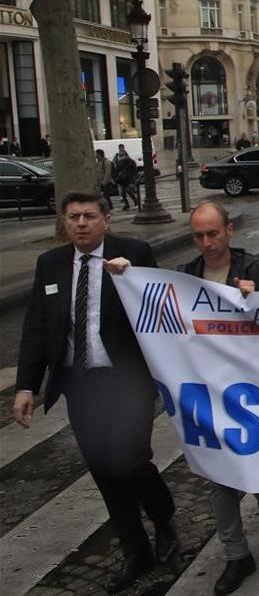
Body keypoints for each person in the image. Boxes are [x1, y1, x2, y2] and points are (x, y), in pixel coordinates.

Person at [14, 191, 178, 593]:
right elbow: (37, 327)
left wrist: (130, 277)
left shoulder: (133, 252)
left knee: (129, 461)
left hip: (128, 381)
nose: (81, 223)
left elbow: (161, 310)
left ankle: (164, 521)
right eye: (73, 217)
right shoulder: (50, 264)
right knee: (104, 471)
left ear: (106, 219)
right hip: (81, 384)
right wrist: (26, 386)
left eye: (89, 216)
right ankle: (133, 549)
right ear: (64, 223)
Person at [176, 202, 259, 593]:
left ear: (229, 231)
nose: (206, 243)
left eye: (213, 233)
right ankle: (237, 554)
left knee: (258, 467)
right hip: (207, 396)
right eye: (199, 236)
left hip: (253, 393)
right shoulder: (185, 277)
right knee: (218, 475)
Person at [113, 144, 140, 211]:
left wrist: (135, 177)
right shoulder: (120, 161)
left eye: (123, 155)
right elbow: (117, 169)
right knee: (123, 192)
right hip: (122, 179)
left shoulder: (130, 161)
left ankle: (133, 201)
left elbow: (134, 169)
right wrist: (116, 176)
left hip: (128, 178)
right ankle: (128, 203)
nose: (122, 157)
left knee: (128, 191)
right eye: (121, 156)